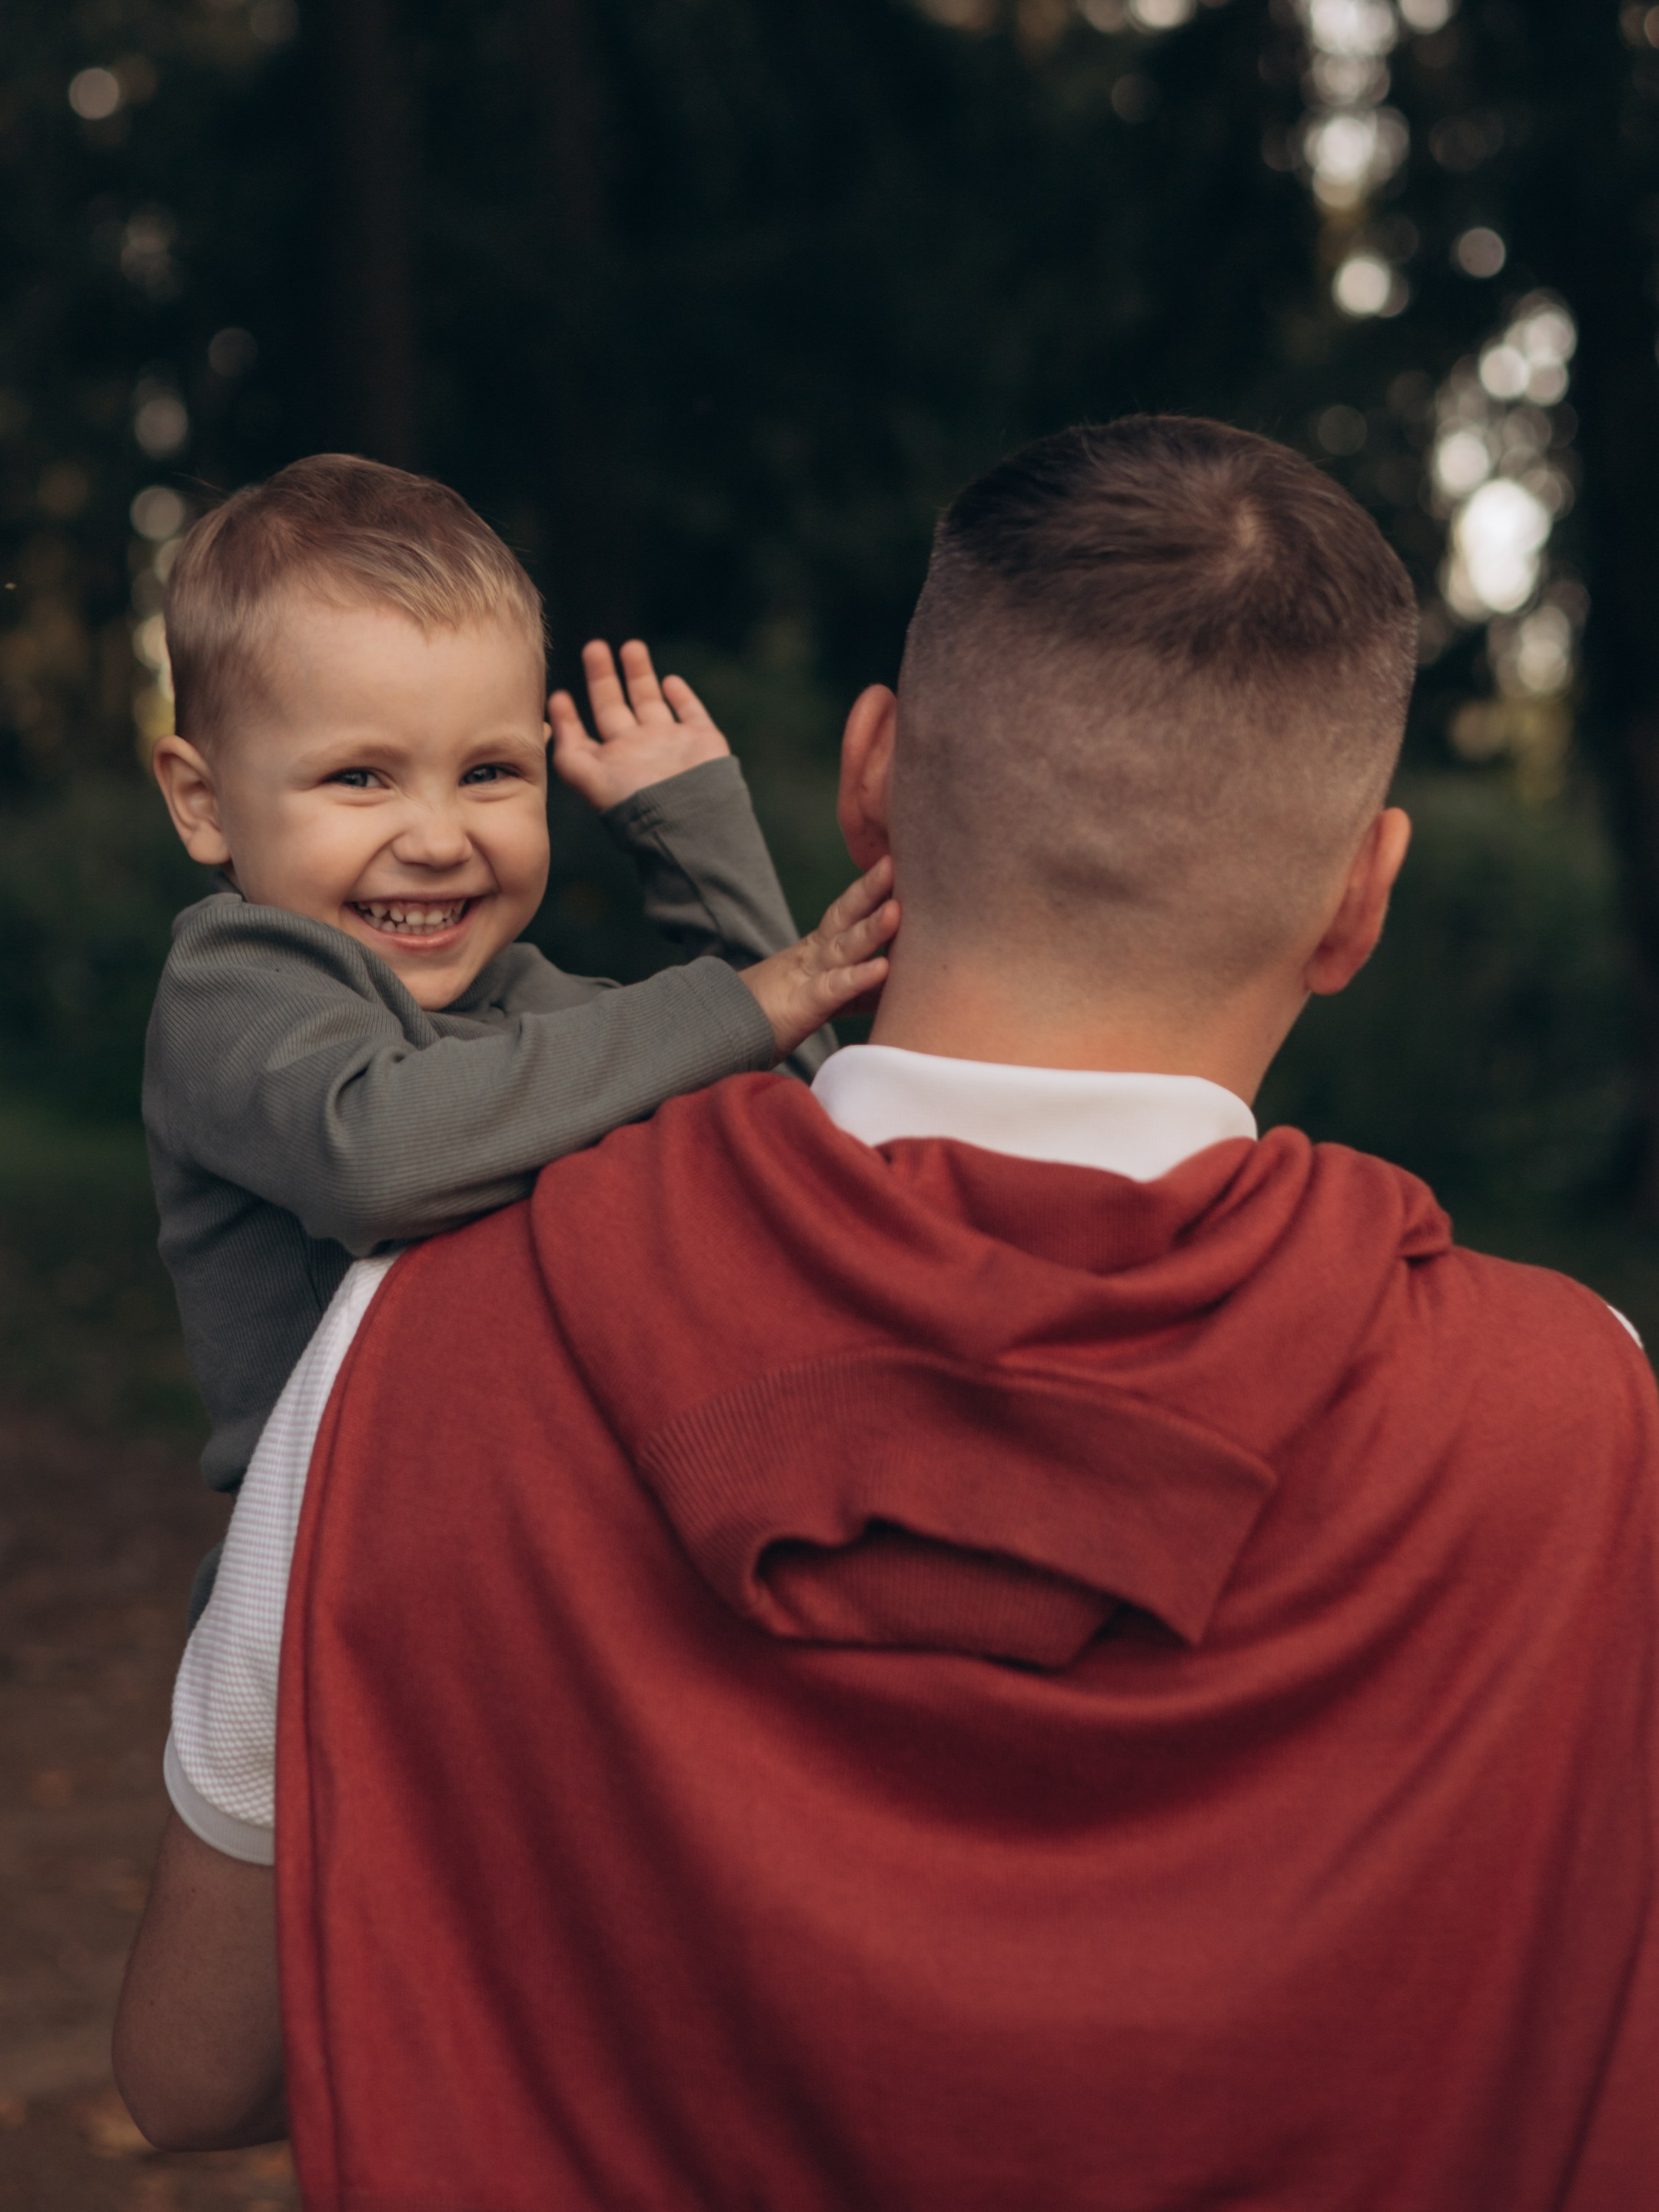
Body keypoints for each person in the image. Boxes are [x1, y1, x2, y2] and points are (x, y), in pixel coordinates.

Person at [117, 416, 1659, 2210]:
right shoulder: (1582, 1414)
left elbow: (199, 2066)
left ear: (870, 786)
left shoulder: (401, 1352)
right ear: (1358, 899)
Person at [143, 452, 896, 1569]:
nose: (439, 837)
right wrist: (747, 998)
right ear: (204, 803)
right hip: (328, 1595)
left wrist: (698, 840)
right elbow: (377, 1151)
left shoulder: (539, 1009)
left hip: (531, 1575)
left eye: (489, 773)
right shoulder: (236, 984)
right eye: (360, 777)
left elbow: (785, 1142)